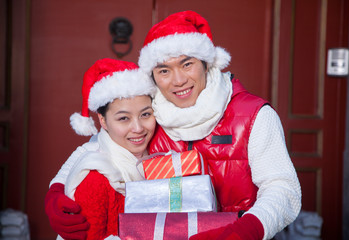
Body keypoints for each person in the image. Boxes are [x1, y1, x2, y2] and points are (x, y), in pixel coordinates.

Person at [45, 11, 301, 240]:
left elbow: (283, 188)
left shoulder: (254, 114)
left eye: (187, 64)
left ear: (205, 62)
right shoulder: (151, 111)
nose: (178, 81)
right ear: (153, 76)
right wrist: (56, 189)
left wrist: (247, 230)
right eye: (164, 70)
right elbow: (98, 147)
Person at [48, 58, 157, 239]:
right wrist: (55, 192)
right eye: (124, 118)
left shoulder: (158, 147)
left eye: (145, 114)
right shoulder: (96, 177)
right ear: (103, 121)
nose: (138, 128)